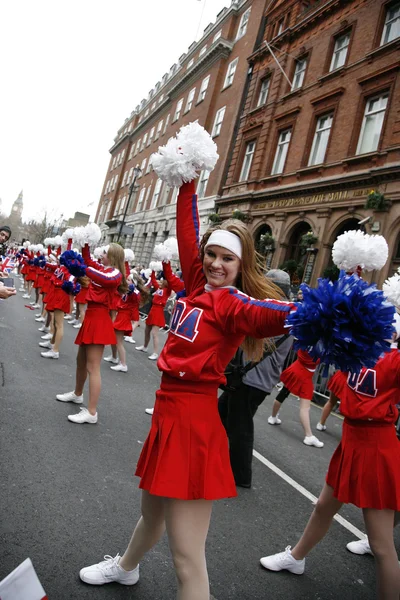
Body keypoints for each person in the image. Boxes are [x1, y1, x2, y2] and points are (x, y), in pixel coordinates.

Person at [78, 179, 296, 598]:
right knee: (152, 510)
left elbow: (280, 315)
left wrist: (329, 313)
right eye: (211, 255)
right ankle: (126, 567)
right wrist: (187, 183)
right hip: (168, 413)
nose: (215, 263)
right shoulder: (198, 288)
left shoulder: (233, 304)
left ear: (241, 264)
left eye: (226, 258)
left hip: (193, 426)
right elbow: (187, 232)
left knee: (187, 558)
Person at [260, 319, 400, 600]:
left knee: (382, 545)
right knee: (324, 506)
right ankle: (296, 558)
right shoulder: (356, 350)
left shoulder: (396, 359)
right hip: (352, 440)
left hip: (376, 446)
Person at [218, 269, 294, 488]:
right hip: (252, 378)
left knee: (240, 428)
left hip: (253, 379)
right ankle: (213, 457)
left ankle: (240, 476)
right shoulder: (281, 310)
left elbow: (253, 333)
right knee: (220, 415)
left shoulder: (279, 313)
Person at [56, 243, 127, 424]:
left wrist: (85, 268)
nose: (101, 255)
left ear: (113, 256)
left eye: (104, 253)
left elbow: (104, 278)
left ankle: (92, 412)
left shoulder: (115, 273)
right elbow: (88, 262)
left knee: (93, 367)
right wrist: (85, 244)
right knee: (81, 361)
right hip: (91, 317)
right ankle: (77, 394)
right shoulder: (102, 269)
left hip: (100, 320)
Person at [268, 350, 324, 448]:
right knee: (305, 408)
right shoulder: (320, 346)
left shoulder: (305, 339)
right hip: (305, 374)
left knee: (282, 394)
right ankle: (309, 435)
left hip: (295, 368)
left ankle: (273, 417)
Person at [136, 270, 172, 360]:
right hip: (153, 310)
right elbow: (153, 280)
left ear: (165, 282)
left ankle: (155, 353)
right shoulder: (158, 288)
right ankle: (145, 346)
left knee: (154, 333)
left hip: (158, 311)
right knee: (147, 330)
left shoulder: (167, 290)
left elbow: (171, 284)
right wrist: (153, 270)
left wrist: (167, 275)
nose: (160, 281)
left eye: (162, 280)